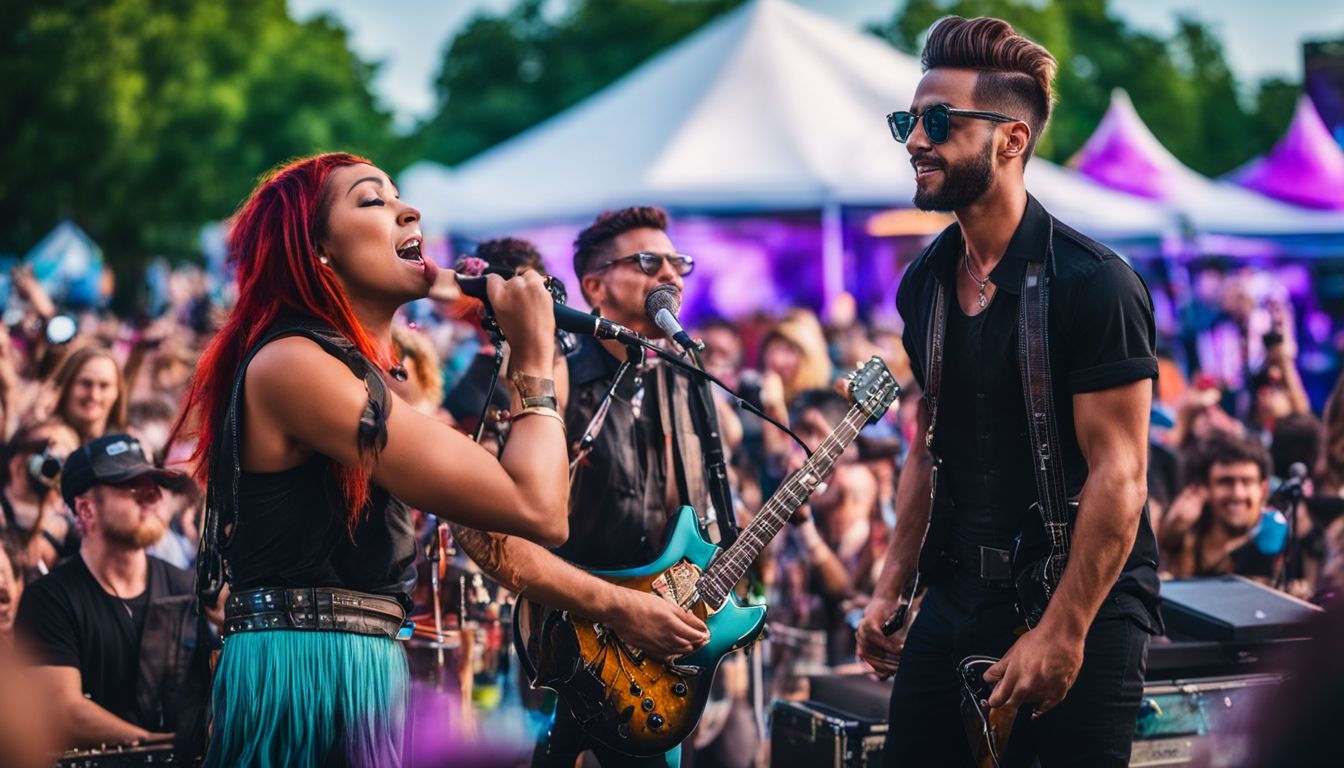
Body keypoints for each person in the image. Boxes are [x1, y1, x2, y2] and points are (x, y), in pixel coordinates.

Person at [168, 153, 572, 767]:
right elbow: (538, 506)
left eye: (399, 195)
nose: (407, 209)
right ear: (318, 251)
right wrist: (533, 356)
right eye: (371, 200)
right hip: (303, 674)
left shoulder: (355, 374)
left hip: (357, 665)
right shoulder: (295, 364)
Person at [854, 17, 1161, 766]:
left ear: (1010, 139)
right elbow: (930, 447)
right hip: (955, 595)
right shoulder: (923, 282)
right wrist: (892, 585)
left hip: (1078, 597)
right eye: (908, 122)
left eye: (936, 122)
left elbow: (1120, 475)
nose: (915, 141)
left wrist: (1063, 629)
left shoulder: (1095, 284)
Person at [448, 207, 717, 768]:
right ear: (593, 285)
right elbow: (492, 521)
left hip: (659, 649)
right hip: (570, 638)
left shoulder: (685, 374)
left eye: (677, 262)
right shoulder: (551, 370)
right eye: (647, 261)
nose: (669, 273)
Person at [14, 433, 204, 749]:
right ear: (86, 510)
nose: (152, 495)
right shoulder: (48, 601)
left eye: (154, 484)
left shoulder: (186, 586)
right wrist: (160, 747)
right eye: (131, 486)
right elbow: (62, 709)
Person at [1159, 432, 1317, 595]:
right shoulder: (1186, 539)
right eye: (1226, 482)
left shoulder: (1285, 545)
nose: (1238, 494)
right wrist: (1170, 535)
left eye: (1247, 481)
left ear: (1263, 490)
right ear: (1206, 489)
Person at [0, 420, 81, 572]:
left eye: (65, 458)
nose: (56, 462)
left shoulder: (68, 524)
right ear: (16, 464)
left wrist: (57, 527)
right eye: (44, 449)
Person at [53, 346, 129, 444]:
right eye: (86, 383)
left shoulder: (128, 446)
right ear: (66, 386)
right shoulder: (41, 442)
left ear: (117, 392)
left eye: (104, 386)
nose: (94, 395)